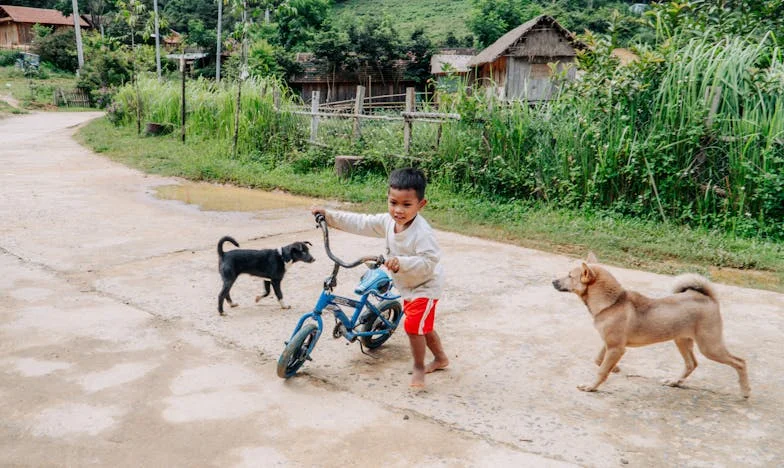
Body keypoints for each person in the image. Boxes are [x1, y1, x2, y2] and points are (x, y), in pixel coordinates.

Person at [311, 167, 449, 388]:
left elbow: (429, 262)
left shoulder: (422, 233)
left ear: (421, 205)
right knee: (422, 324)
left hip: (425, 284)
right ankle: (441, 358)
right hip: (406, 283)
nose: (398, 210)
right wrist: (330, 216)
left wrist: (401, 262)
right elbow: (361, 222)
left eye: (407, 205)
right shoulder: (387, 222)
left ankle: (420, 369)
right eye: (393, 203)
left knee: (413, 327)